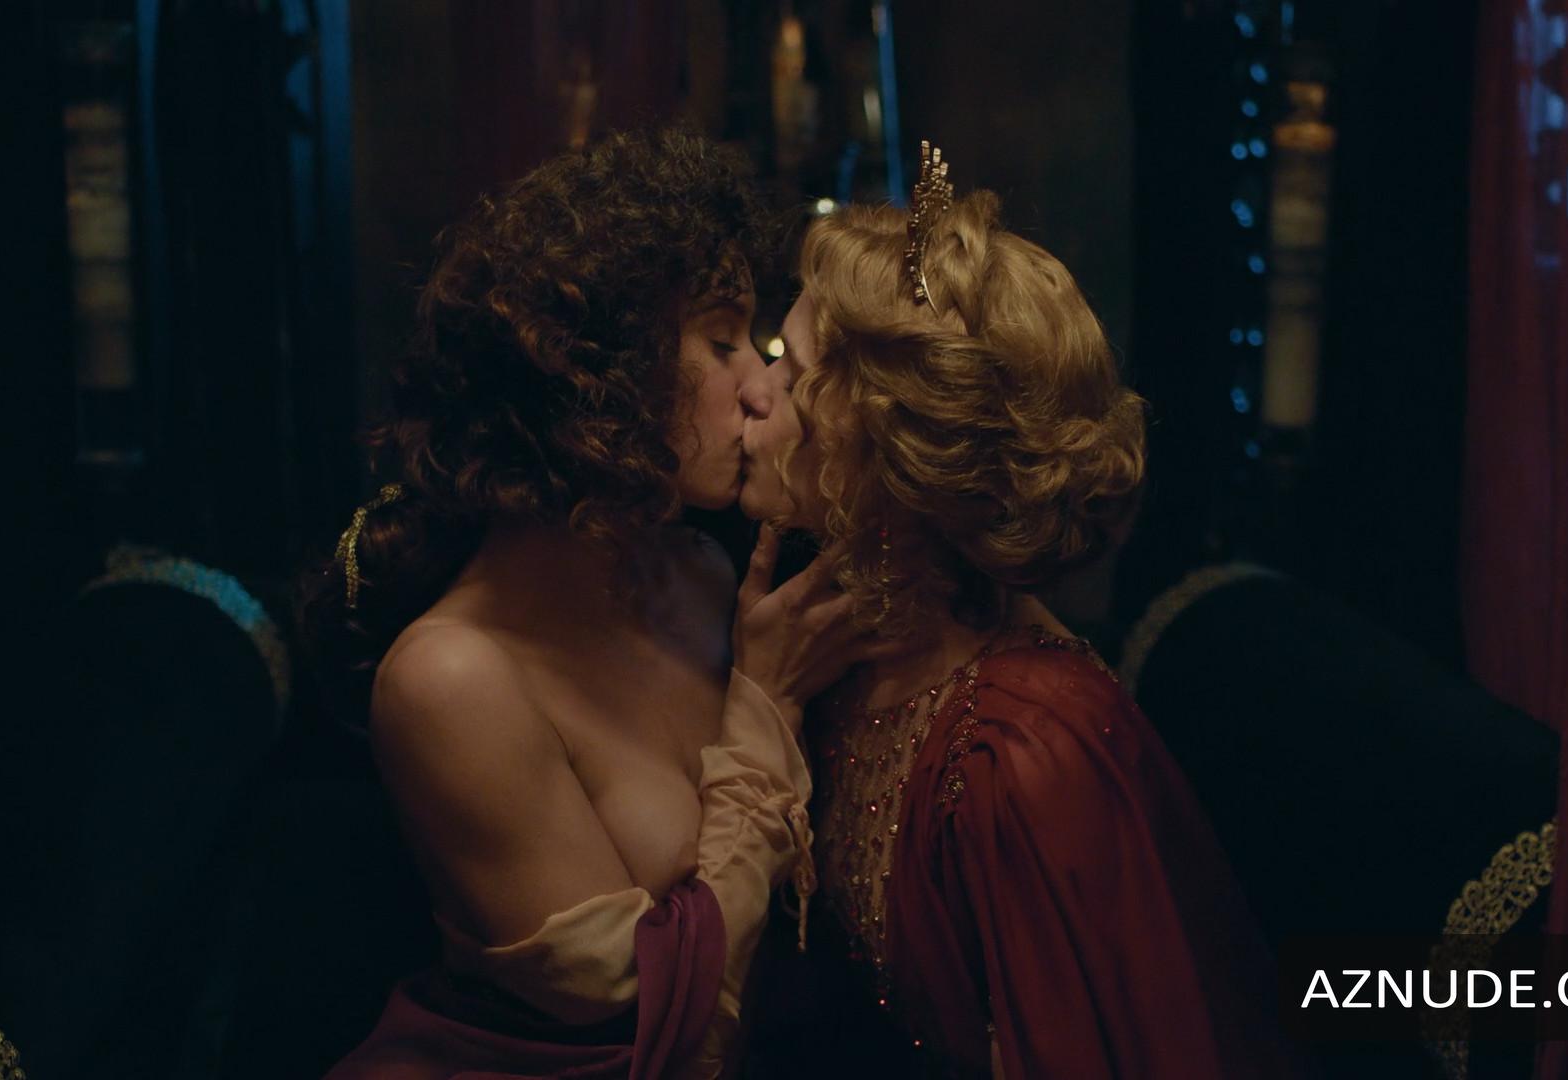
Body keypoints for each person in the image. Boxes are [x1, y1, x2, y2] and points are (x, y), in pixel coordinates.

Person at [301, 128, 882, 1079]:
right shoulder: (451, 679)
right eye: (722, 340)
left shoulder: (702, 572)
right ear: (596, 368)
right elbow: (645, 1024)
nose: (760, 385)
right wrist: (765, 709)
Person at [734, 144, 1307, 1078]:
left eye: (788, 372)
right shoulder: (852, 644)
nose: (750, 394)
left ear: (878, 445)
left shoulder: (1019, 756)